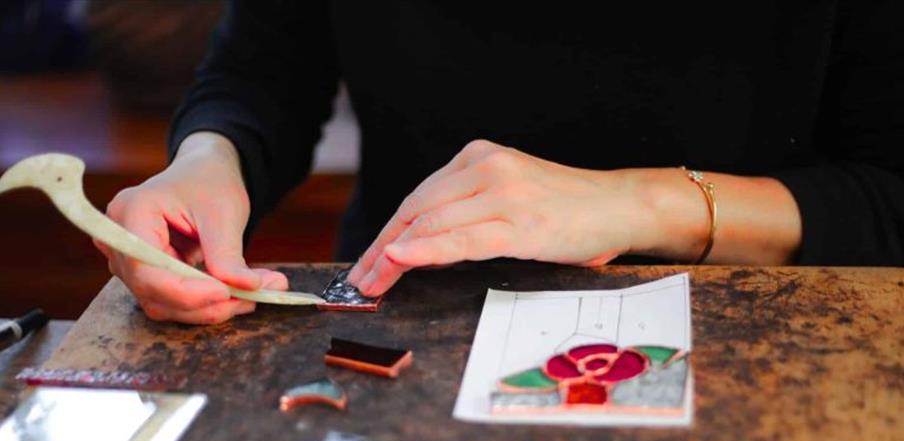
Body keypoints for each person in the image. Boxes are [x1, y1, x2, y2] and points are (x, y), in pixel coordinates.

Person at [95, 2, 904, 325]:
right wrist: (208, 161)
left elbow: (887, 195)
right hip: (401, 318)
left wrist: (646, 204)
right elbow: (261, 74)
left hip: (755, 341)